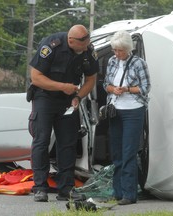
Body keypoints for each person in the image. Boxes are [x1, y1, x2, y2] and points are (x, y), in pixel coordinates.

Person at [28, 24, 99, 202]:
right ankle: (40, 188)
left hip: (68, 102)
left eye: (87, 44)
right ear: (71, 41)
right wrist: (63, 87)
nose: (85, 48)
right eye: (82, 45)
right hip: (44, 98)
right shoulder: (52, 45)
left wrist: (79, 96)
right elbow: (36, 77)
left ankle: (66, 189)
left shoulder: (88, 50)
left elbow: (91, 79)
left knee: (67, 144)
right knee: (42, 141)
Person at [103, 30, 151, 205]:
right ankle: (118, 192)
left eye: (120, 50)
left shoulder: (139, 63)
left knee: (129, 152)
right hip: (115, 109)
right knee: (116, 153)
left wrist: (127, 89)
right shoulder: (111, 61)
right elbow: (105, 84)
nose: (117, 54)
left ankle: (130, 194)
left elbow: (146, 87)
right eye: (115, 50)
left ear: (128, 48)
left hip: (133, 110)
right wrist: (112, 89)